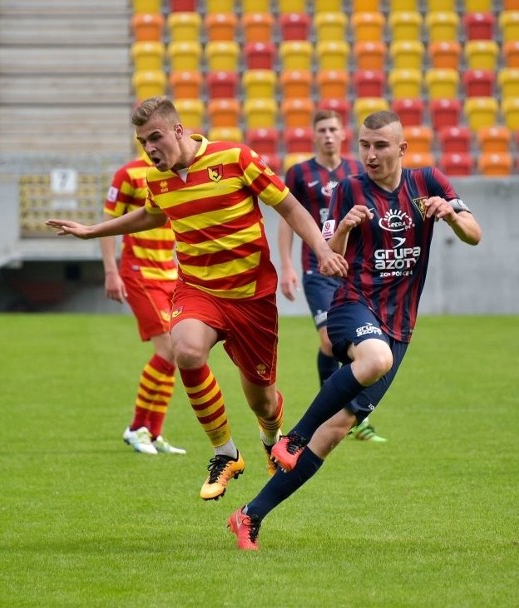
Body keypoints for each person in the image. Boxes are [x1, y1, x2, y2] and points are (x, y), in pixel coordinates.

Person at [47, 96, 348, 499]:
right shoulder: (156, 179)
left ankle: (270, 436)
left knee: (262, 401)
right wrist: (93, 230)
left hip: (252, 297)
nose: (150, 148)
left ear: (178, 130)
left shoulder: (237, 158)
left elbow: (290, 207)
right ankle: (225, 453)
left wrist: (323, 250)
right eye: (142, 142)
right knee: (185, 350)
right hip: (198, 289)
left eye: (155, 137)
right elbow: (154, 213)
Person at [230, 111, 482, 550]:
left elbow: (475, 234)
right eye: (365, 144)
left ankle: (249, 515)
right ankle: (292, 436)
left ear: (401, 149)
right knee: (374, 359)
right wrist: (345, 227)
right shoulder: (349, 188)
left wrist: (453, 216)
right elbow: (330, 255)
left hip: (400, 324)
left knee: (335, 433)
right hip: (352, 304)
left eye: (380, 146)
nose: (369, 154)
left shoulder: (430, 183)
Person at [278, 110, 386, 443]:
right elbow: (286, 219)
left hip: (353, 269)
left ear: (343, 134)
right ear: (314, 135)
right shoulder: (299, 173)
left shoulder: (356, 171)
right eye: (322, 129)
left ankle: (351, 414)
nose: (327, 135)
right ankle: (336, 411)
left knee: (363, 347)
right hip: (317, 268)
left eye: (333, 129)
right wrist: (286, 265)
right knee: (328, 340)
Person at [101, 154, 185, 455]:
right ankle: (136, 428)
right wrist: (111, 270)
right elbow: (109, 222)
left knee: (176, 355)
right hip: (139, 273)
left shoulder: (179, 174)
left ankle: (154, 432)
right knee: (168, 350)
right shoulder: (128, 174)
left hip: (171, 273)